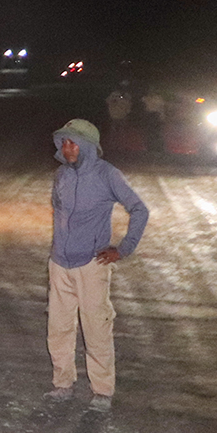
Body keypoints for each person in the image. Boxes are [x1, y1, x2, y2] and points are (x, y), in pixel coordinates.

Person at [47, 119, 148, 412]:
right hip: (60, 264)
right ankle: (62, 384)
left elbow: (140, 209)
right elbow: (59, 211)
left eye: (73, 143)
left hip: (92, 264)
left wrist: (123, 249)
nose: (67, 149)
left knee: (96, 328)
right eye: (63, 142)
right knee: (58, 327)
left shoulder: (107, 175)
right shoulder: (61, 176)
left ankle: (102, 391)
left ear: (89, 147)